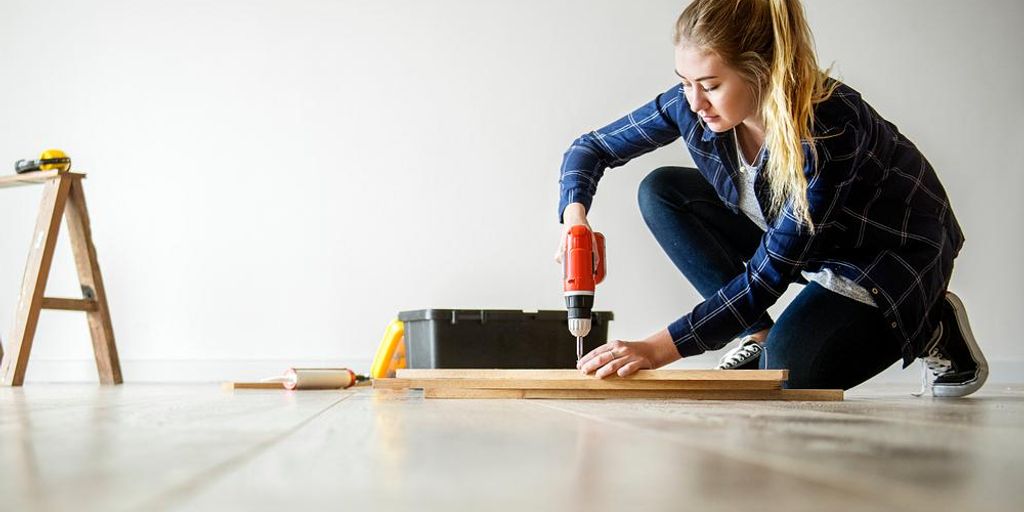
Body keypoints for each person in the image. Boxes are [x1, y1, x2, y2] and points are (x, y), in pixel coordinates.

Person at [557, 0, 987, 396]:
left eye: (710, 85)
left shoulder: (829, 128)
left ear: (762, 70)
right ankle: (757, 335)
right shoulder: (692, 106)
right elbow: (589, 148)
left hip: (886, 255)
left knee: (786, 372)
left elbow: (766, 279)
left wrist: (655, 350)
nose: (694, 102)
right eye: (685, 82)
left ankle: (932, 322)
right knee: (662, 192)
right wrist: (575, 218)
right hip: (810, 241)